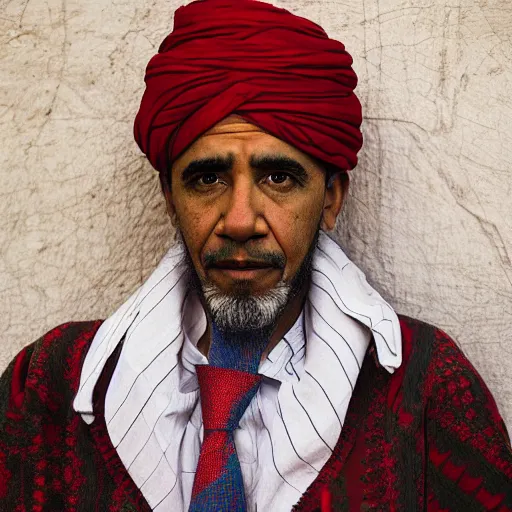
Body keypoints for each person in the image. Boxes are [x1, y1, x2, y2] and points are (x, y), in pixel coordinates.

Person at [1, 0, 511, 510]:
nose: (240, 220)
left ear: (331, 199)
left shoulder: (424, 389)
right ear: (170, 199)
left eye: (279, 177)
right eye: (208, 179)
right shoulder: (47, 386)